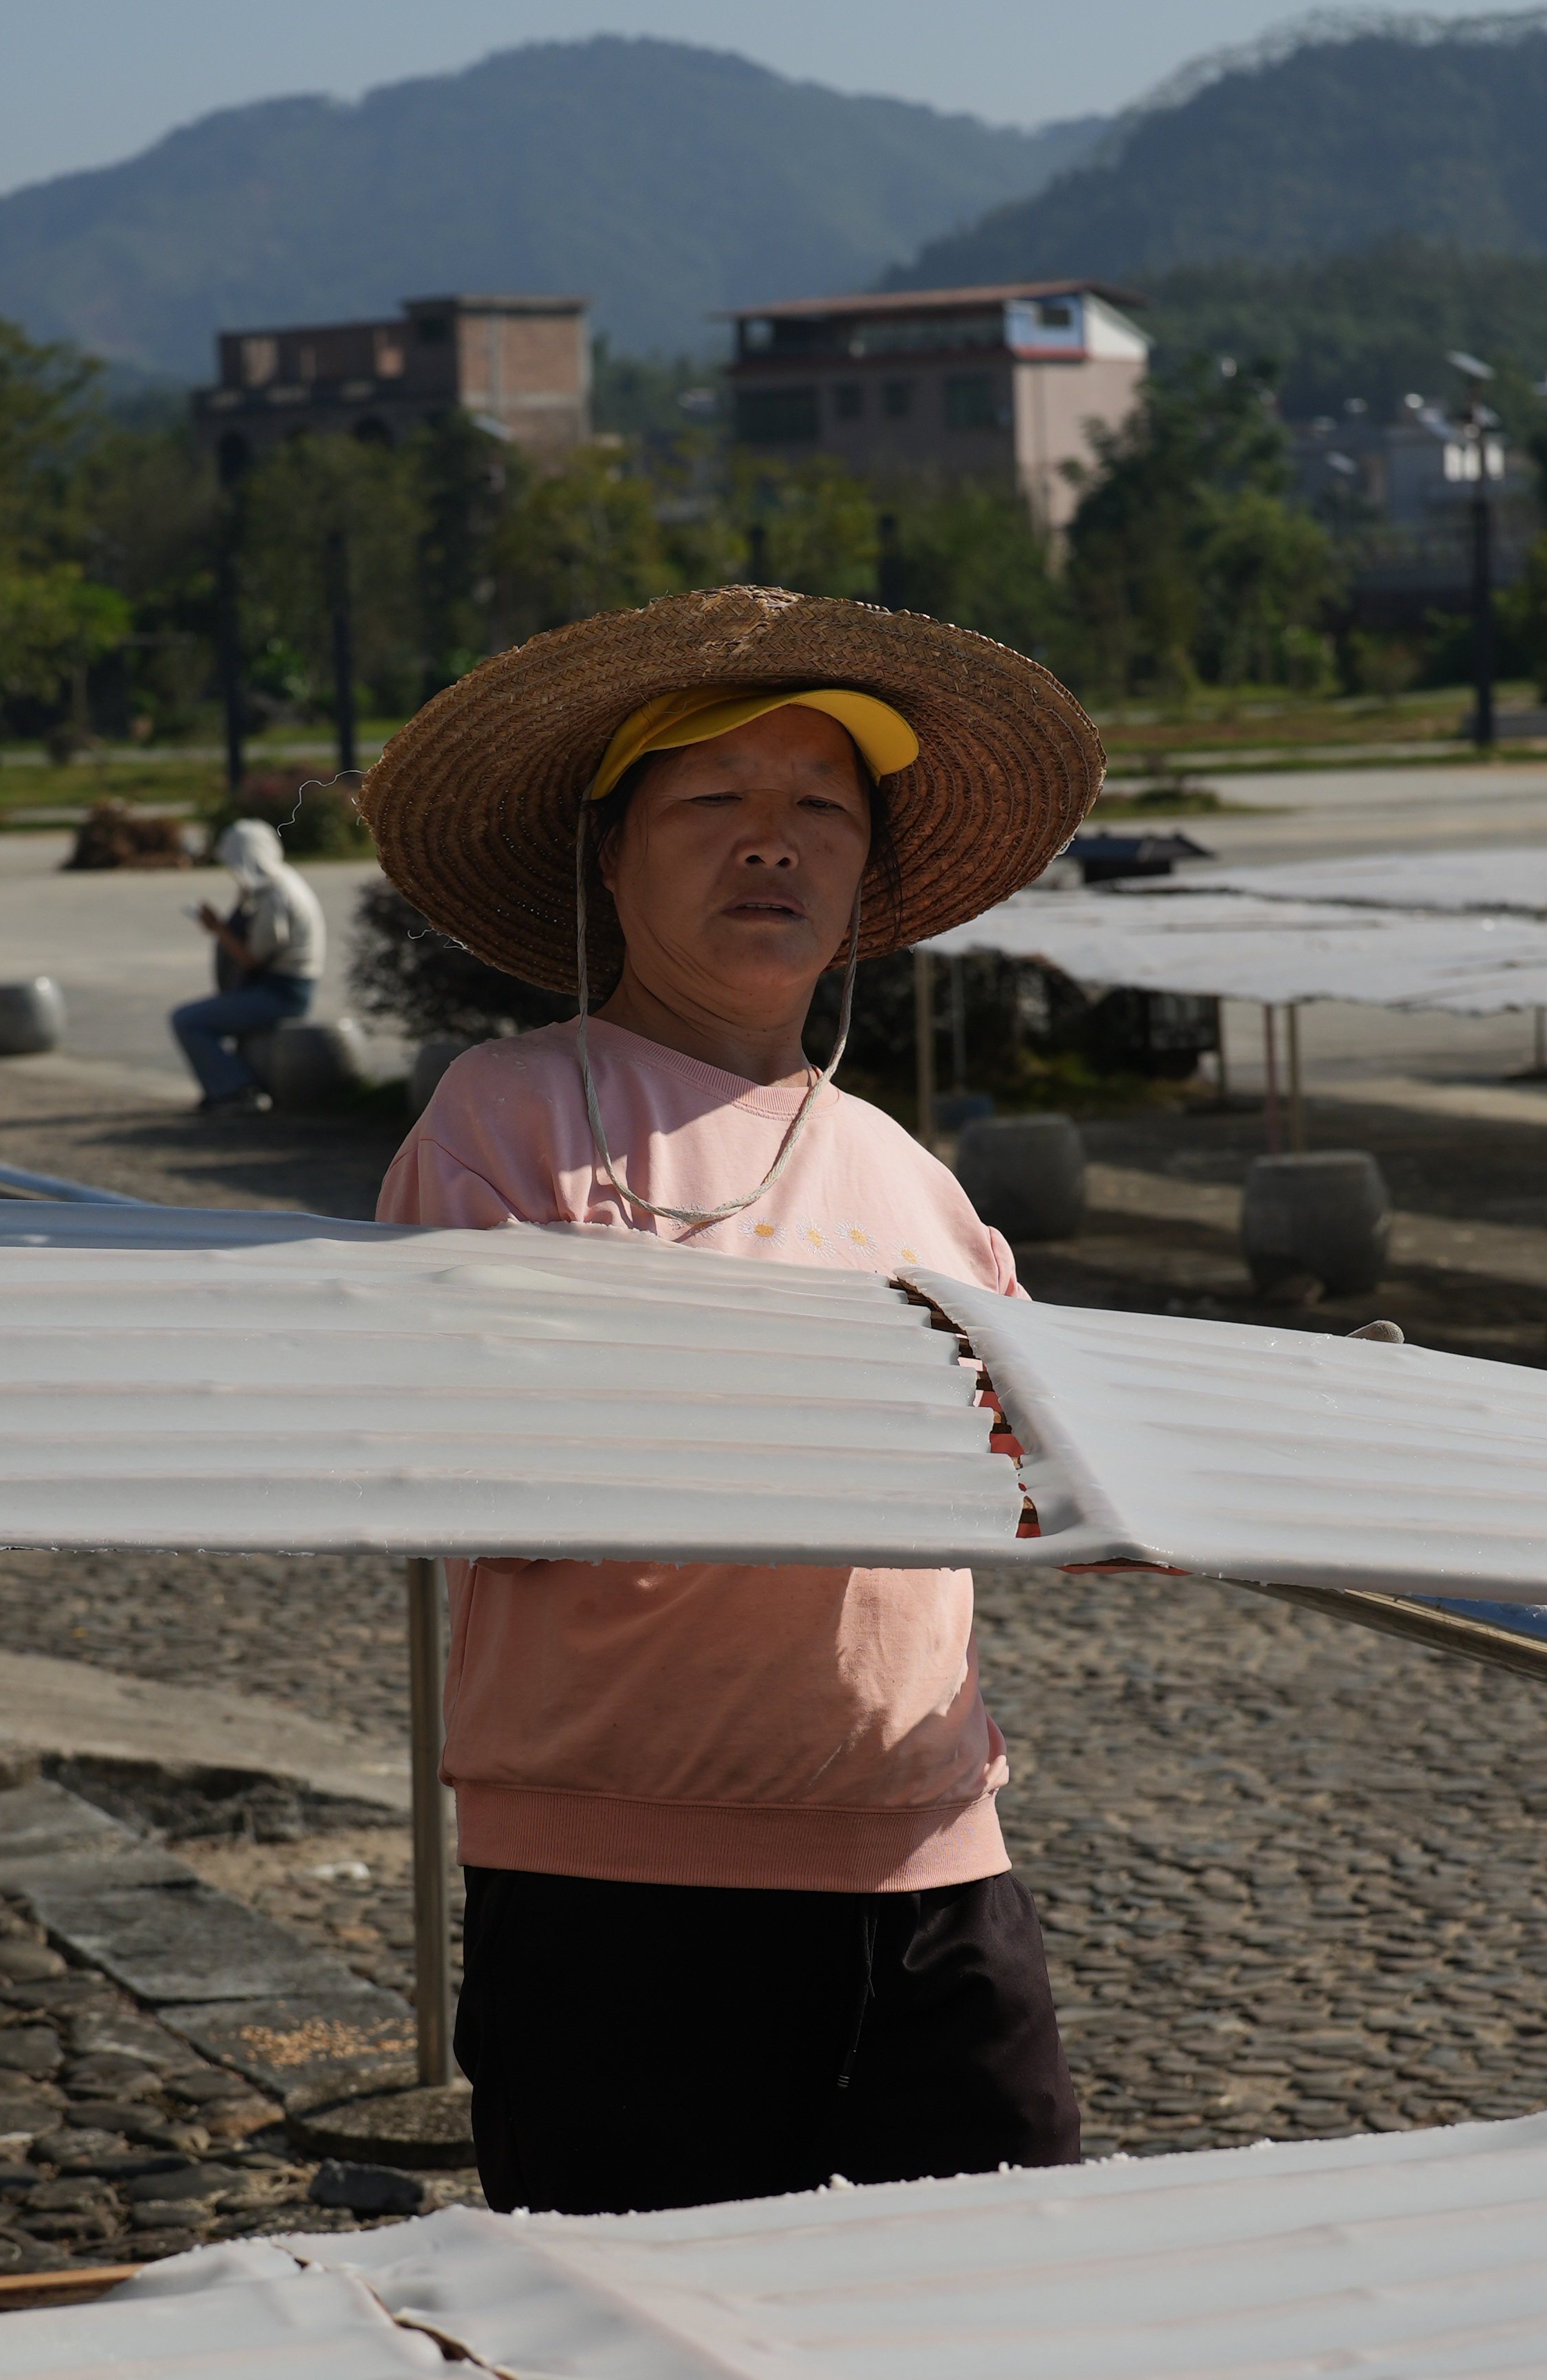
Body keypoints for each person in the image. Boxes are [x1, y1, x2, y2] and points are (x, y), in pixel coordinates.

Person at [360, 581, 1103, 2219]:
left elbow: (1040, 1476)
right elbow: (480, 1469)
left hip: (932, 1861)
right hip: (617, 1883)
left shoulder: (911, 1178)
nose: (772, 840)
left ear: (863, 873)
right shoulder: (510, 1123)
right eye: (713, 800)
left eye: (819, 811)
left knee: (1013, 2325)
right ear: (608, 857)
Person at [173, 818, 327, 1109]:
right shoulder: (279, 883)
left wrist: (217, 927)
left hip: (282, 994)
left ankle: (237, 1090)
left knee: (187, 1020)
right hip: (279, 988)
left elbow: (252, 959)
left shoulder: (275, 896)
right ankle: (230, 1086)